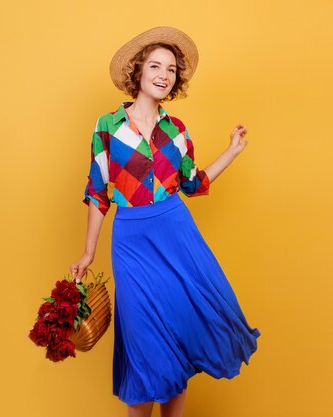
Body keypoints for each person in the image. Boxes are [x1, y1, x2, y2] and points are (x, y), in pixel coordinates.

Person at [69, 27, 261, 417]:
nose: (163, 74)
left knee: (179, 340)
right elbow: (98, 192)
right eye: (155, 66)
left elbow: (193, 184)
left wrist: (232, 152)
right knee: (144, 349)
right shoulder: (108, 127)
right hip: (132, 240)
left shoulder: (177, 132)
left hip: (176, 234)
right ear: (137, 73)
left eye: (171, 69)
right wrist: (88, 252)